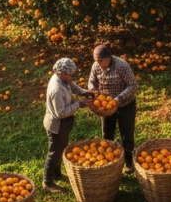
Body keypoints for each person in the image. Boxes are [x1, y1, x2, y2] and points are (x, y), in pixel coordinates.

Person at [43, 58, 94, 193]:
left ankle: (57, 174)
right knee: (54, 152)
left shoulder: (63, 79)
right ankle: (47, 182)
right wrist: (79, 104)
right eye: (70, 74)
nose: (72, 77)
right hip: (57, 125)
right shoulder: (57, 89)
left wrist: (83, 92)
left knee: (61, 148)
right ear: (61, 73)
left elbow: (71, 85)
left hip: (63, 123)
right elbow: (60, 113)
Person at [88, 44, 138, 174]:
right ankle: (108, 162)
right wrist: (93, 91)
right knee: (107, 134)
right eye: (96, 61)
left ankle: (128, 163)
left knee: (127, 134)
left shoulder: (122, 66)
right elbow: (91, 82)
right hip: (106, 107)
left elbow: (133, 86)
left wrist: (118, 99)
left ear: (109, 57)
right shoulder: (96, 66)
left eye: (101, 61)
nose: (98, 64)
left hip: (125, 104)